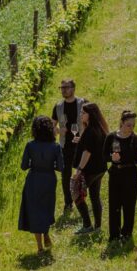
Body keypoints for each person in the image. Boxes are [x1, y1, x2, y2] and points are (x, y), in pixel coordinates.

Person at [18, 116, 64, 253]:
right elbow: (61, 167)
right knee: (46, 208)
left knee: (34, 210)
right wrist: (49, 165)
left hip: (33, 180)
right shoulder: (56, 147)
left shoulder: (30, 145)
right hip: (49, 179)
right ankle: (46, 233)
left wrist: (35, 163)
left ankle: (39, 247)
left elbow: (23, 166)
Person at [104, 110, 137, 242]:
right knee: (114, 204)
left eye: (133, 125)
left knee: (129, 205)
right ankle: (114, 235)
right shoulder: (111, 137)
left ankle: (127, 233)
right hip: (116, 173)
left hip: (130, 174)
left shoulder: (136, 139)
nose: (131, 128)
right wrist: (112, 157)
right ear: (121, 123)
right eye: (129, 125)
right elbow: (103, 156)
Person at [71, 101, 108, 234]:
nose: (81, 114)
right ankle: (97, 227)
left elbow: (87, 153)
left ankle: (87, 225)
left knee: (76, 193)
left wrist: (79, 170)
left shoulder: (90, 131)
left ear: (90, 115)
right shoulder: (100, 128)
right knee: (95, 196)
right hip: (100, 169)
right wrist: (81, 140)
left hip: (90, 170)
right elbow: (93, 145)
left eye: (83, 112)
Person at [51, 79, 84, 213]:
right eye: (62, 87)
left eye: (66, 87)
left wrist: (83, 136)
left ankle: (82, 201)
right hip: (65, 146)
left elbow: (91, 122)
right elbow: (52, 126)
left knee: (82, 174)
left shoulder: (83, 103)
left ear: (73, 88)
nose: (64, 90)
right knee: (65, 175)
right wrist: (59, 130)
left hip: (81, 145)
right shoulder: (58, 106)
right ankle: (68, 203)